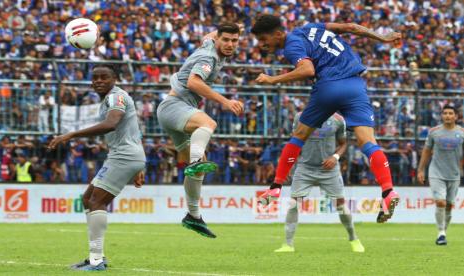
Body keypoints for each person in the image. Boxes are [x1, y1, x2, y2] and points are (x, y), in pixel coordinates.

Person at [251, 15, 401, 223]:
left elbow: (307, 70)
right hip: (355, 86)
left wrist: (272, 79)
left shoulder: (291, 45)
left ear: (278, 34)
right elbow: (350, 26)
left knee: (299, 136)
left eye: (263, 39)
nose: (262, 44)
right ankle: (388, 191)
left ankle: (276, 187)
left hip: (329, 86)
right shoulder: (311, 28)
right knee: (368, 142)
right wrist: (382, 37)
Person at [48, 65, 146, 271]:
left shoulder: (115, 97)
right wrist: (139, 167)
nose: (99, 81)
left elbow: (111, 124)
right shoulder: (112, 98)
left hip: (124, 156)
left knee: (96, 200)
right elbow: (132, 130)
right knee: (88, 198)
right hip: (122, 155)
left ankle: (96, 261)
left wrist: (70, 134)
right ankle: (95, 256)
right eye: (95, 78)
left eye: (104, 78)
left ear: (115, 79)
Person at [157, 22, 244, 238]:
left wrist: (233, 28)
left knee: (199, 170)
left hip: (176, 110)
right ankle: (196, 162)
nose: (230, 44)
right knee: (209, 124)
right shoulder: (209, 57)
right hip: (175, 107)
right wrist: (225, 101)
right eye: (226, 39)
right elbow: (194, 83)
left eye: (234, 40)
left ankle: (193, 216)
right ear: (218, 40)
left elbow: (208, 34)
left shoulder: (209, 44)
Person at [274, 113, 364, 253]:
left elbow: (343, 144)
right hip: (305, 167)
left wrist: (335, 156)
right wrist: (289, 166)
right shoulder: (300, 117)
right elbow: (295, 143)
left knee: (340, 204)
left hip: (329, 169)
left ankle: (353, 238)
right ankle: (288, 244)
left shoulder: (338, 120)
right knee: (293, 203)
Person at [417, 105, 464, 246]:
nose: (448, 116)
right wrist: (420, 170)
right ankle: (441, 233)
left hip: (454, 174)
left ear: (456, 116)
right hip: (436, 172)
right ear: (441, 116)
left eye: (451, 113)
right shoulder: (434, 132)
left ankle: (444, 230)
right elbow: (426, 151)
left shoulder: (462, 133)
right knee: (440, 202)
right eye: (445, 113)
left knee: (449, 205)